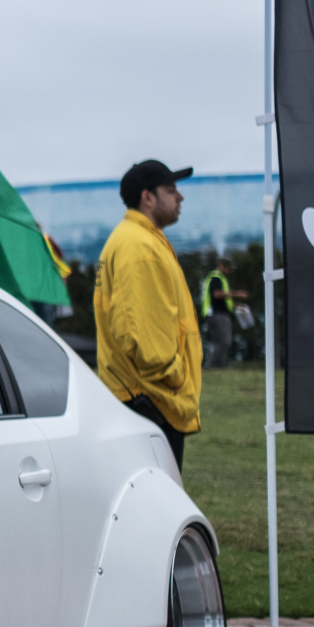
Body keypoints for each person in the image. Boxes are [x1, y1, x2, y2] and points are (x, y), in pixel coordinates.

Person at [94, 160, 201, 471]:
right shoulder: (138, 246)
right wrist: (174, 375)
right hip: (150, 399)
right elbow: (140, 332)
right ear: (148, 197)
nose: (179, 197)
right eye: (171, 190)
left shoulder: (138, 239)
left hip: (144, 395)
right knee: (157, 504)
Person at [198, 258, 247, 370]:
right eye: (229, 268)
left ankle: (216, 367)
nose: (231, 271)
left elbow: (222, 301)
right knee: (224, 342)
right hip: (217, 314)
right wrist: (237, 294)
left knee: (221, 342)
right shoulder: (216, 277)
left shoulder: (218, 278)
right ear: (222, 266)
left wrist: (236, 305)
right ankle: (210, 367)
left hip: (216, 313)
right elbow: (217, 294)